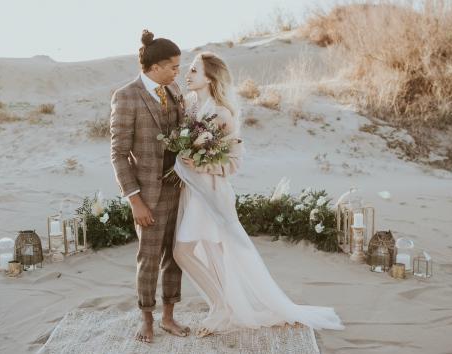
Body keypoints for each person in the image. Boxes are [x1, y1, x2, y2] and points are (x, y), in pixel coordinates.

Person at [172, 51, 346, 338]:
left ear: (210, 77)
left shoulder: (222, 113)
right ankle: (222, 306)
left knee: (197, 250)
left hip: (211, 194)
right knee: (197, 251)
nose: (188, 75)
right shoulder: (191, 107)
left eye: (194, 70)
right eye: (188, 70)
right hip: (192, 193)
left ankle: (221, 307)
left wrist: (202, 163)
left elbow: (234, 163)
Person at [109, 29, 190, 344]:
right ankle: (146, 319)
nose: (177, 72)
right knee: (149, 257)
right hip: (148, 195)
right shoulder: (126, 96)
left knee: (176, 255)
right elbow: (117, 155)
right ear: (155, 67)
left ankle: (169, 317)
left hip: (179, 188)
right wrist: (135, 200)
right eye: (173, 67)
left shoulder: (173, 91)